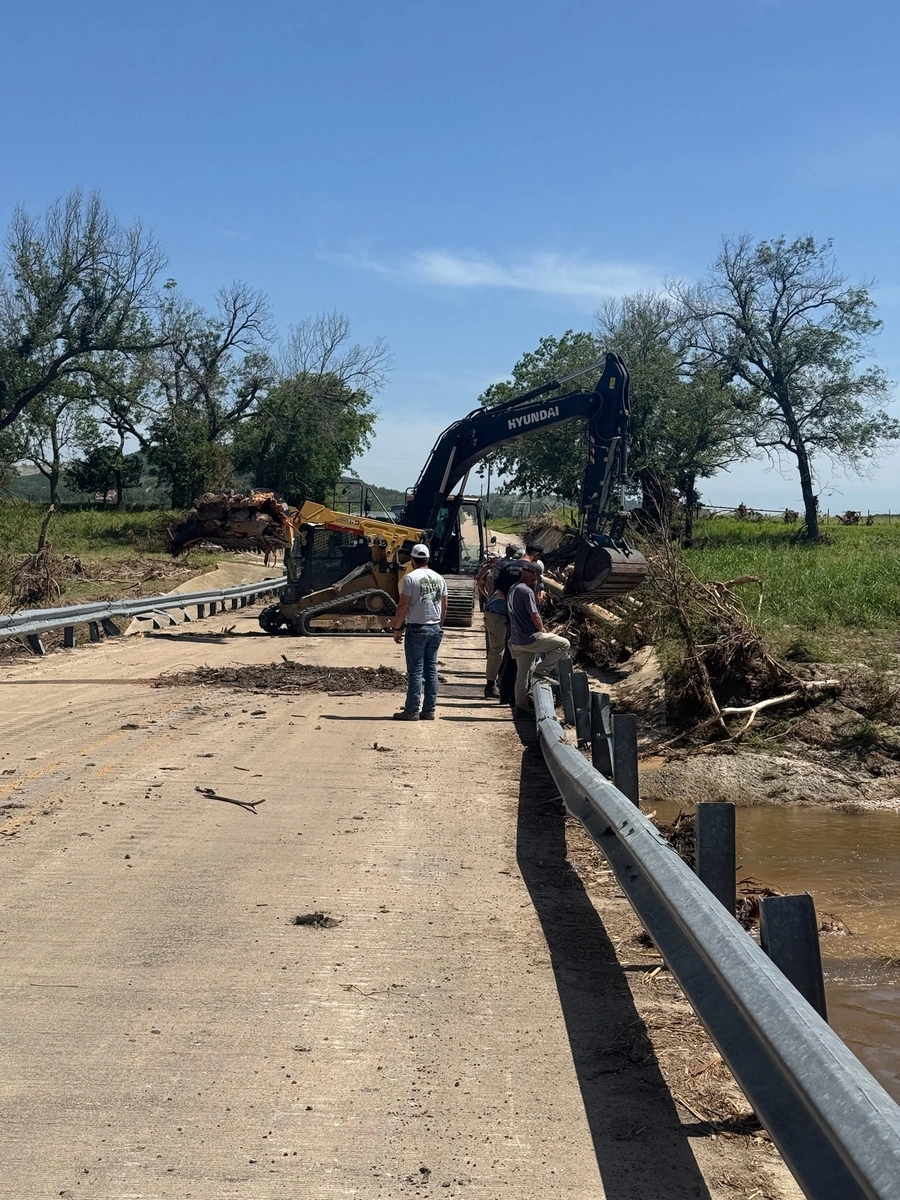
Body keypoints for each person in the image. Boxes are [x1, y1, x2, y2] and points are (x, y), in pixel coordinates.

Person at [391, 543, 448, 721]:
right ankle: (429, 710)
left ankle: (412, 710)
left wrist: (397, 628)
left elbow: (403, 605)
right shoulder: (440, 578)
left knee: (415, 672)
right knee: (430, 671)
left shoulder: (410, 578)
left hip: (417, 629)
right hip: (434, 628)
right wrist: (439, 625)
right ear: (428, 559)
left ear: (412, 560)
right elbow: (445, 605)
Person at [507, 561, 570, 716]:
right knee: (564, 644)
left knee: (522, 675)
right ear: (534, 575)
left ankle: (521, 707)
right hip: (529, 638)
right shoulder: (526, 591)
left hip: (515, 640)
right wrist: (542, 630)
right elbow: (535, 615)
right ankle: (541, 671)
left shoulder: (513, 588)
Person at [478, 544, 522, 698]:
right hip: (497, 613)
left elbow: (481, 582)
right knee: (497, 651)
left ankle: (499, 682)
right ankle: (490, 685)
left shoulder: (500, 566)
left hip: (495, 611)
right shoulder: (514, 571)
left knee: (496, 650)